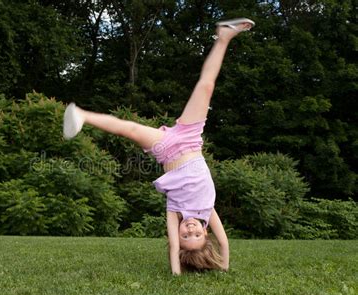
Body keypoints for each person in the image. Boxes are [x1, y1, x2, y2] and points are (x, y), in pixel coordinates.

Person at [63, 18, 255, 275]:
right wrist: (225, 267)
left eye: (187, 236)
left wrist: (177, 272)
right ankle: (223, 37)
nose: (190, 230)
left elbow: (174, 247)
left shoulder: (173, 212)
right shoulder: (208, 211)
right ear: (204, 231)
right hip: (190, 138)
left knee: (129, 129)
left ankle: (81, 115)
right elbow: (224, 242)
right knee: (206, 86)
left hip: (166, 149)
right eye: (196, 234)